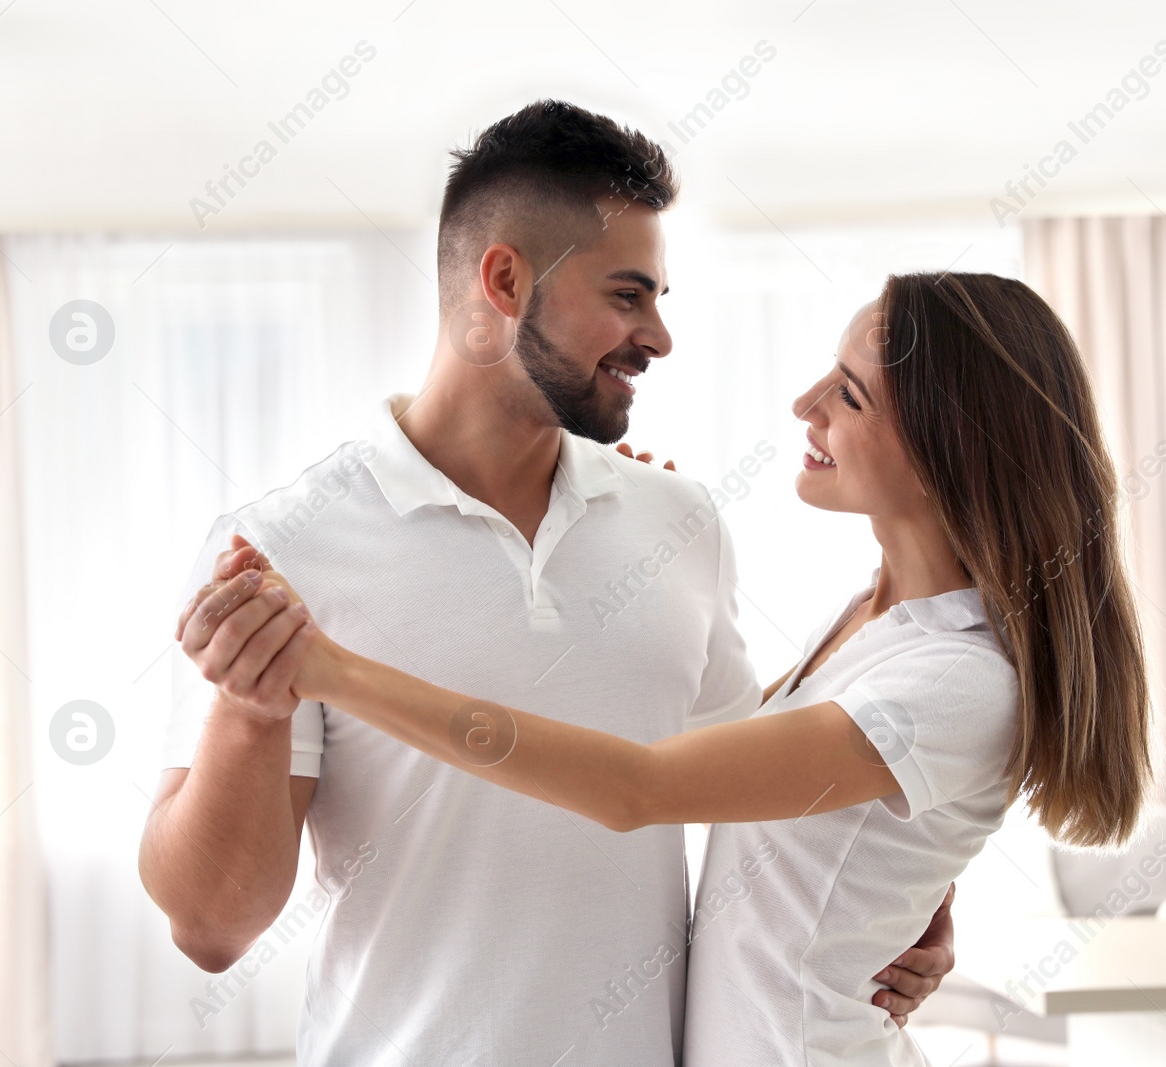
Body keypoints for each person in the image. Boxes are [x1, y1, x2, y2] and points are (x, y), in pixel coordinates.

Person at [140, 99, 952, 1067]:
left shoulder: (678, 523)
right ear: (505, 279)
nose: (658, 335)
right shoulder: (282, 549)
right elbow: (210, 927)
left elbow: (764, 779)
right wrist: (250, 709)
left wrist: (915, 896)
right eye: (627, 294)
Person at [182, 270, 1155, 1066]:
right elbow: (773, 776)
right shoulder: (871, 612)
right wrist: (911, 899)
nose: (805, 403)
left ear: (953, 451)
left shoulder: (957, 673)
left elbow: (640, 785)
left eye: (848, 394)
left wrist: (333, 670)